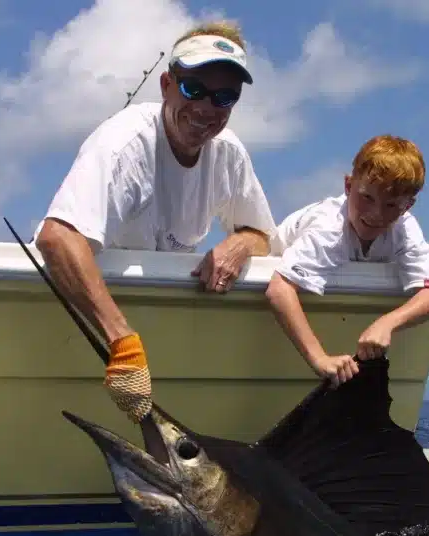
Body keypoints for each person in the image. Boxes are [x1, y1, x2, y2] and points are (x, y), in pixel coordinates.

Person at [33, 20, 276, 423]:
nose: (205, 108)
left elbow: (263, 235)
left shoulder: (228, 153)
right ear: (166, 85)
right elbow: (56, 237)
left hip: (153, 329)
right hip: (86, 314)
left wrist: (241, 244)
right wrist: (121, 343)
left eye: (224, 97)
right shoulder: (124, 144)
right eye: (193, 89)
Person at [264, 135, 429, 388]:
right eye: (367, 198)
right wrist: (319, 359)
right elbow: (279, 288)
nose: (376, 214)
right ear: (348, 186)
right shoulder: (328, 228)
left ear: (408, 206)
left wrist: (387, 323)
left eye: (391, 205)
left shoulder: (406, 229)